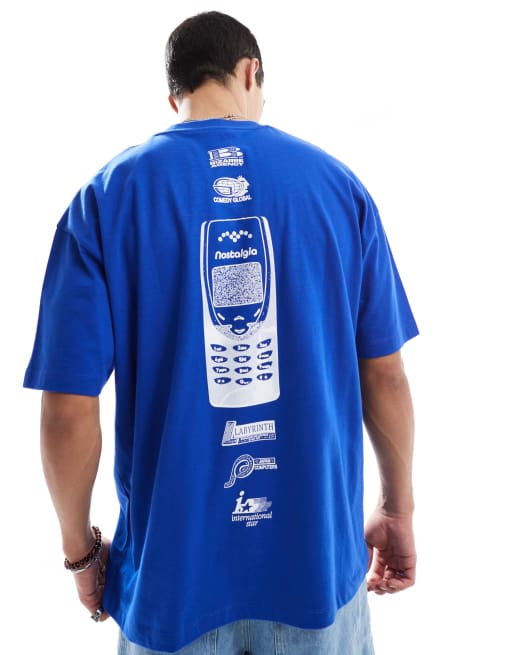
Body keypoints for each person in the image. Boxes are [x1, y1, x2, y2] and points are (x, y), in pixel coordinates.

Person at [24, 10, 418, 655]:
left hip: (171, 582)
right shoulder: (337, 188)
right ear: (250, 73)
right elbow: (386, 374)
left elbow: (67, 410)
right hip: (316, 567)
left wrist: (81, 554)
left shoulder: (106, 197)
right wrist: (397, 508)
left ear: (174, 96)